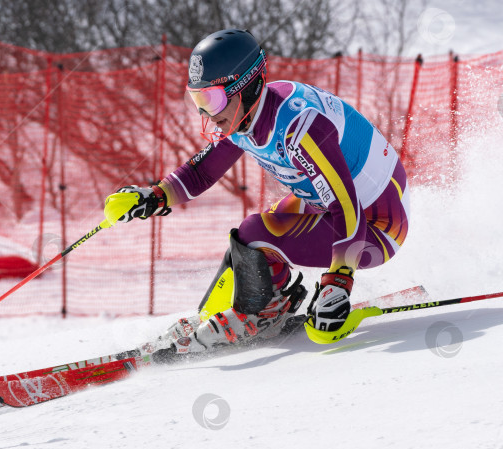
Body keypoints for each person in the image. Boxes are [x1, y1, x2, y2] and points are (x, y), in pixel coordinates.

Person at [104, 28, 409, 351]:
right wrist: (154, 196)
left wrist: (338, 282)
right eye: (198, 100)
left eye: (212, 99)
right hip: (335, 205)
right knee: (250, 240)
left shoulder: (299, 127)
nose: (207, 113)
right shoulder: (245, 114)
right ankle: (229, 310)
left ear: (247, 87)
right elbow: (202, 172)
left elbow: (346, 207)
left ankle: (261, 313)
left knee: (255, 232)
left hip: (376, 226)